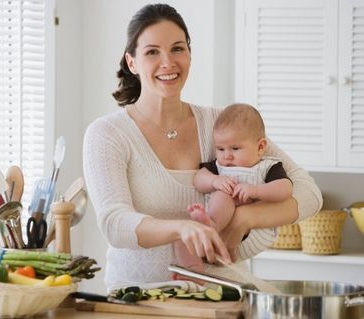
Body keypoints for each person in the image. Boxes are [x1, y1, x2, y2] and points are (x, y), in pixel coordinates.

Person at [83, 3, 322, 292]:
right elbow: (115, 224)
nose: (168, 62)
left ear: (189, 55)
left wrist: (246, 218)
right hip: (140, 298)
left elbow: (309, 193)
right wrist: (182, 228)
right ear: (132, 62)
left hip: (226, 295)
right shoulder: (108, 134)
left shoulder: (222, 125)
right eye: (152, 52)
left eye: (177, 49)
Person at [174, 103, 293, 274]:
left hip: (252, 233)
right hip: (221, 227)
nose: (226, 155)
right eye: (220, 149)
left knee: (224, 195)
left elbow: (285, 189)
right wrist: (215, 180)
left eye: (235, 149)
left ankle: (211, 224)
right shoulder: (219, 166)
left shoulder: (267, 166)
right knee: (181, 237)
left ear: (260, 147)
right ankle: (193, 272)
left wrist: (256, 191)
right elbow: (198, 179)